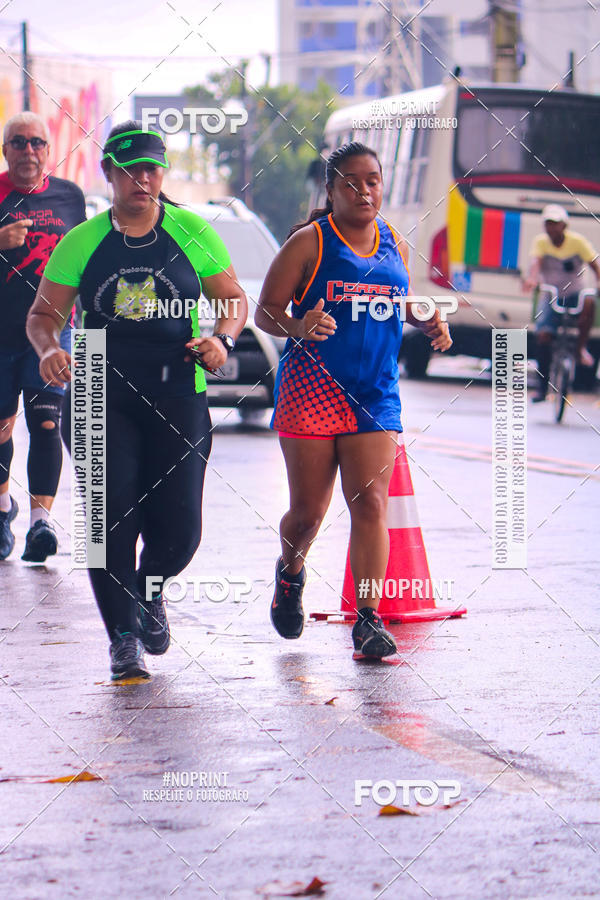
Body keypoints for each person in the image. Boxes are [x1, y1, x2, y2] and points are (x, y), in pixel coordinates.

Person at [26, 121, 247, 679]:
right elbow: (43, 316)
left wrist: (222, 339)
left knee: (180, 531)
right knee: (109, 522)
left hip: (179, 387)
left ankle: (151, 590)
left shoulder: (193, 232)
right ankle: (122, 636)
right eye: (128, 170)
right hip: (101, 386)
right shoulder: (83, 239)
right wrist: (50, 348)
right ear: (109, 175)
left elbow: (234, 300)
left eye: (151, 168)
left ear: (162, 173)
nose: (141, 179)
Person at [255, 141, 452, 660]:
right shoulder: (310, 243)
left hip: (375, 394)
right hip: (312, 392)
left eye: (373, 180)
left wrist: (426, 317)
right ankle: (291, 573)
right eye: (352, 182)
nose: (364, 190)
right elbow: (266, 312)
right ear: (331, 188)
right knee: (307, 515)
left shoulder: (394, 241)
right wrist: (297, 324)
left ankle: (367, 619)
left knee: (371, 504)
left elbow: (396, 302)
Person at [0, 112, 86, 562]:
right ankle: (2, 511)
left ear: (48, 150)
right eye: (18, 142)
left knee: (46, 422)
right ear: (5, 150)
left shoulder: (69, 197)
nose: (28, 151)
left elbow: (85, 261)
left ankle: (40, 525)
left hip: (53, 334)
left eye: (37, 142)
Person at [522, 204, 599, 403]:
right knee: (544, 335)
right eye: (548, 224)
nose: (552, 229)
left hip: (575, 291)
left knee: (590, 301)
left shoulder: (577, 242)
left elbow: (594, 265)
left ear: (564, 225)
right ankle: (542, 386)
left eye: (556, 224)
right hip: (551, 292)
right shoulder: (541, 243)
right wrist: (532, 279)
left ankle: (580, 349)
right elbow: (535, 264)